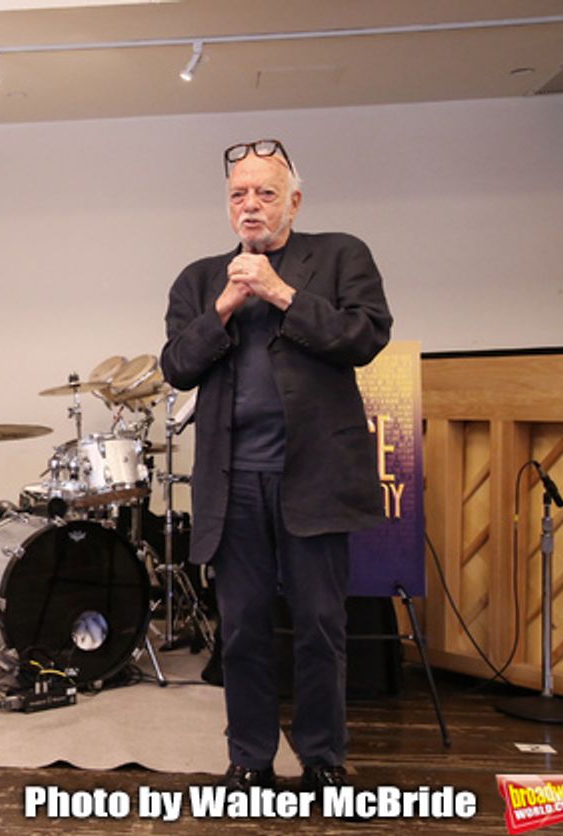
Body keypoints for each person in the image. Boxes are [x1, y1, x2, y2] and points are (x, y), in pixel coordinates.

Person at [159, 138, 392, 792]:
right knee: (242, 630)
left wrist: (281, 291)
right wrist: (225, 307)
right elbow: (176, 364)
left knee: (320, 626)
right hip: (232, 485)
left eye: (265, 192)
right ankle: (250, 757)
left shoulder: (341, 255)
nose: (251, 205)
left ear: (294, 200)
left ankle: (322, 757)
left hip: (314, 476)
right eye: (239, 194)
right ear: (227, 206)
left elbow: (366, 337)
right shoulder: (201, 279)